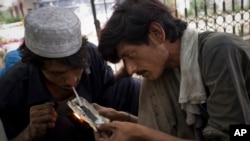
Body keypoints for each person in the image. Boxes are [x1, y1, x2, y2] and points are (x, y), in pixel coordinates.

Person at [95, 0, 250, 140]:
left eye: (130, 55)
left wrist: (138, 132)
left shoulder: (218, 50)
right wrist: (124, 119)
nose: (129, 70)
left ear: (157, 33)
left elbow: (236, 134)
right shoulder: (172, 67)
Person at [0, 6, 140, 141]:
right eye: (58, 74)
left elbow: (108, 86)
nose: (72, 81)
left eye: (78, 69)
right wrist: (29, 134)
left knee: (129, 86)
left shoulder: (92, 55)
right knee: (58, 128)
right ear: (37, 65)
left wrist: (100, 117)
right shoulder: (11, 89)